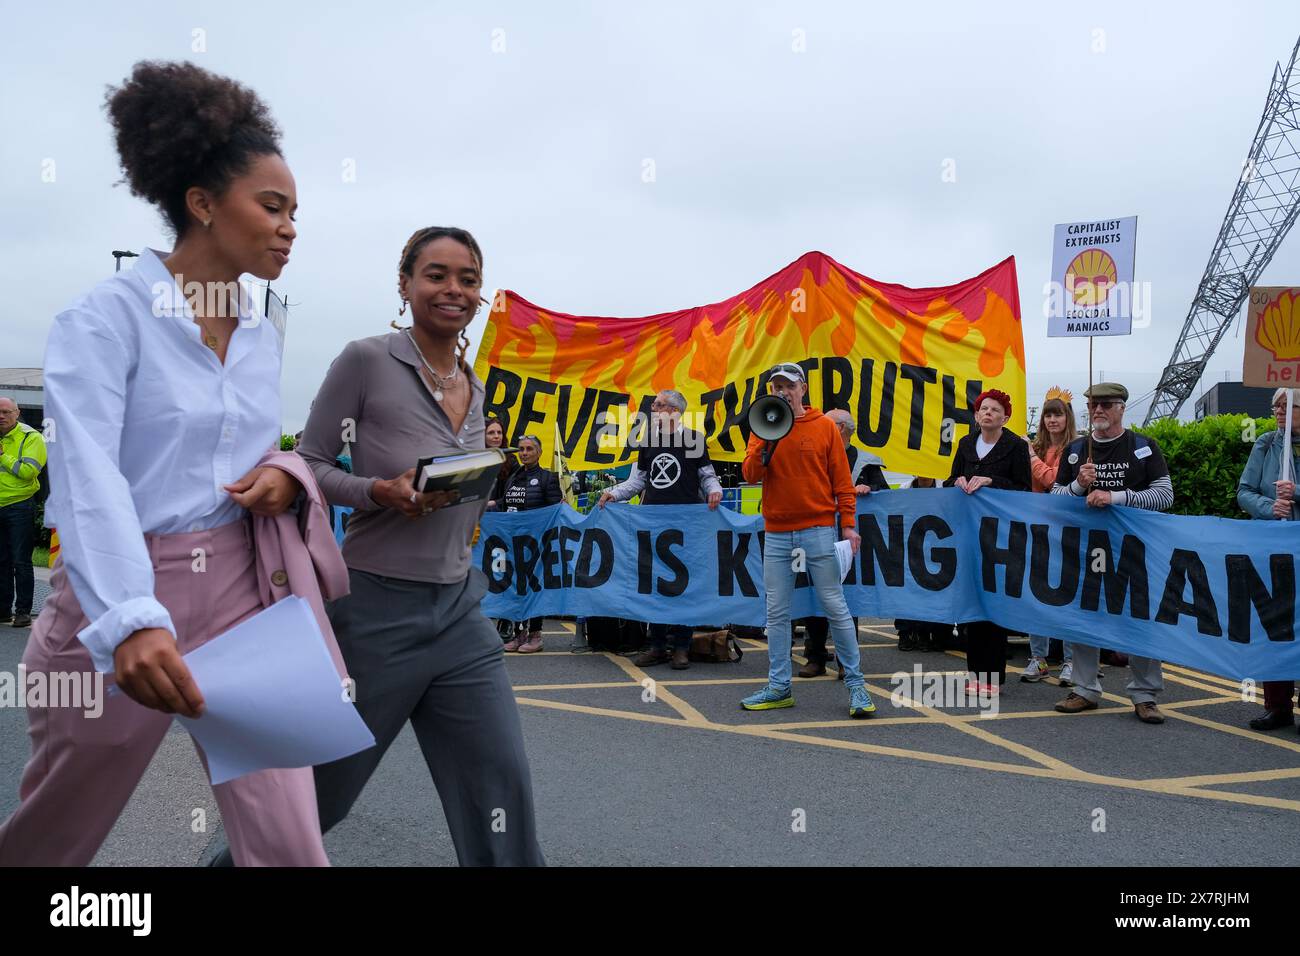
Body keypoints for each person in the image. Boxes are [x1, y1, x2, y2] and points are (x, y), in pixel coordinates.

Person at [0, 61, 334, 866]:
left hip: (244, 590)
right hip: (116, 591)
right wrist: (130, 619)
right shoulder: (102, 320)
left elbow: (247, 447)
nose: (290, 227)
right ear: (202, 203)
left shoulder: (259, 334)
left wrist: (282, 474)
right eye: (273, 206)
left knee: (290, 840)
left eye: (295, 212)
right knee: (56, 835)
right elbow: (87, 478)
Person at [289, 226, 543, 865]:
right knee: (317, 800)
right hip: (374, 609)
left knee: (500, 794)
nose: (453, 289)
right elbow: (307, 464)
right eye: (436, 275)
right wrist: (378, 491)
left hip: (460, 611)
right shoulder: (365, 361)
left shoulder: (474, 385)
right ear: (404, 285)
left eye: (468, 278)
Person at [739, 362, 874, 717]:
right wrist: (767, 442)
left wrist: (848, 525)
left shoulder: (824, 426)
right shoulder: (762, 424)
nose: (783, 392)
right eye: (777, 387)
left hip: (817, 529)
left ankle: (857, 686)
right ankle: (779, 686)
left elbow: (841, 481)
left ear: (803, 389)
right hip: (777, 531)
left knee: (834, 605)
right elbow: (750, 475)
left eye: (789, 386)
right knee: (776, 611)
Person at [1052, 382, 1173, 724]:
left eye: (1106, 404)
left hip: (1134, 548)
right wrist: (1078, 485)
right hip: (1086, 548)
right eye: (1093, 404)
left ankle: (1145, 695)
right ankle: (1084, 689)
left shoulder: (1143, 447)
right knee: (1085, 616)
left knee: (1139, 618)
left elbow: (1165, 495)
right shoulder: (1076, 449)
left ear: (1122, 408)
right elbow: (1055, 498)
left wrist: (1115, 497)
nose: (1098, 410)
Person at [597, 389, 723, 669]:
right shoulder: (648, 441)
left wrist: (715, 490)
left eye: (658, 405)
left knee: (683, 585)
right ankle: (656, 646)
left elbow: (707, 476)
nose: (652, 409)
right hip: (653, 522)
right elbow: (639, 480)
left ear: (674, 411)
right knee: (655, 584)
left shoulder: (694, 439)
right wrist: (613, 493)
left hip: (686, 523)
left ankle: (681, 646)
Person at [943, 389, 1031, 694]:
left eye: (994, 410)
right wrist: (956, 482)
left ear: (1005, 418)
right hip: (970, 533)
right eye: (983, 409)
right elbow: (950, 479)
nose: (988, 413)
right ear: (976, 415)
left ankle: (992, 677)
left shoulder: (1015, 446)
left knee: (994, 604)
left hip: (1001, 534)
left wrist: (992, 482)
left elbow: (1023, 488)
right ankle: (975, 674)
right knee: (972, 604)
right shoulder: (966, 443)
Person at [796, 407, 880, 678]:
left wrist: (870, 490)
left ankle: (846, 661)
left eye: (826, 422)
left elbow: (885, 499)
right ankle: (815, 657)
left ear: (840, 428)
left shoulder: (866, 463)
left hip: (848, 542)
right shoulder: (814, 453)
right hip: (815, 533)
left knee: (846, 601)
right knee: (814, 596)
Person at [1238, 387, 1300, 732]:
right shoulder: (1265, 443)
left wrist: (1296, 493)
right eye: (1276, 405)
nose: (1279, 411)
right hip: (1273, 546)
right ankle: (1277, 706)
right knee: (1274, 623)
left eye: (1288, 405)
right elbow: (1244, 492)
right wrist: (1269, 507)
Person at [1022, 387, 1078, 686]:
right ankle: (1038, 658)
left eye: (1057, 414)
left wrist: (1030, 455)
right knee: (1037, 594)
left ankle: (1071, 661)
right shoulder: (1037, 447)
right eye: (1047, 415)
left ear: (1068, 418)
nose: (1052, 420)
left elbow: (1053, 480)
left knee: (1068, 595)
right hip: (1037, 528)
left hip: (1066, 529)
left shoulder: (1076, 448)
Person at [501, 434, 563, 653]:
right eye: (521, 449)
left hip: (538, 545)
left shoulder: (548, 478)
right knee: (517, 589)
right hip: (514, 543)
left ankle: (536, 636)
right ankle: (519, 634)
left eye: (529, 449)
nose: (524, 453)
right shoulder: (513, 477)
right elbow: (505, 504)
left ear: (539, 452)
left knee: (534, 589)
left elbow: (556, 511)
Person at [0, 397, 46, 628]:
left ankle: (23, 612)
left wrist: (2, 455)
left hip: (19, 505)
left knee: (21, 561)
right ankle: (3, 610)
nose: (1, 416)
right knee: (1, 561)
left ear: (17, 413)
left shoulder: (31, 437)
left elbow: (28, 472)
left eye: (6, 412)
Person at [484, 415, 519, 512]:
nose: (496, 436)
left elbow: (516, 492)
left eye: (499, 432)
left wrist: (495, 502)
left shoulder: (511, 460)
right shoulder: (474, 458)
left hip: (501, 511)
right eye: (491, 433)